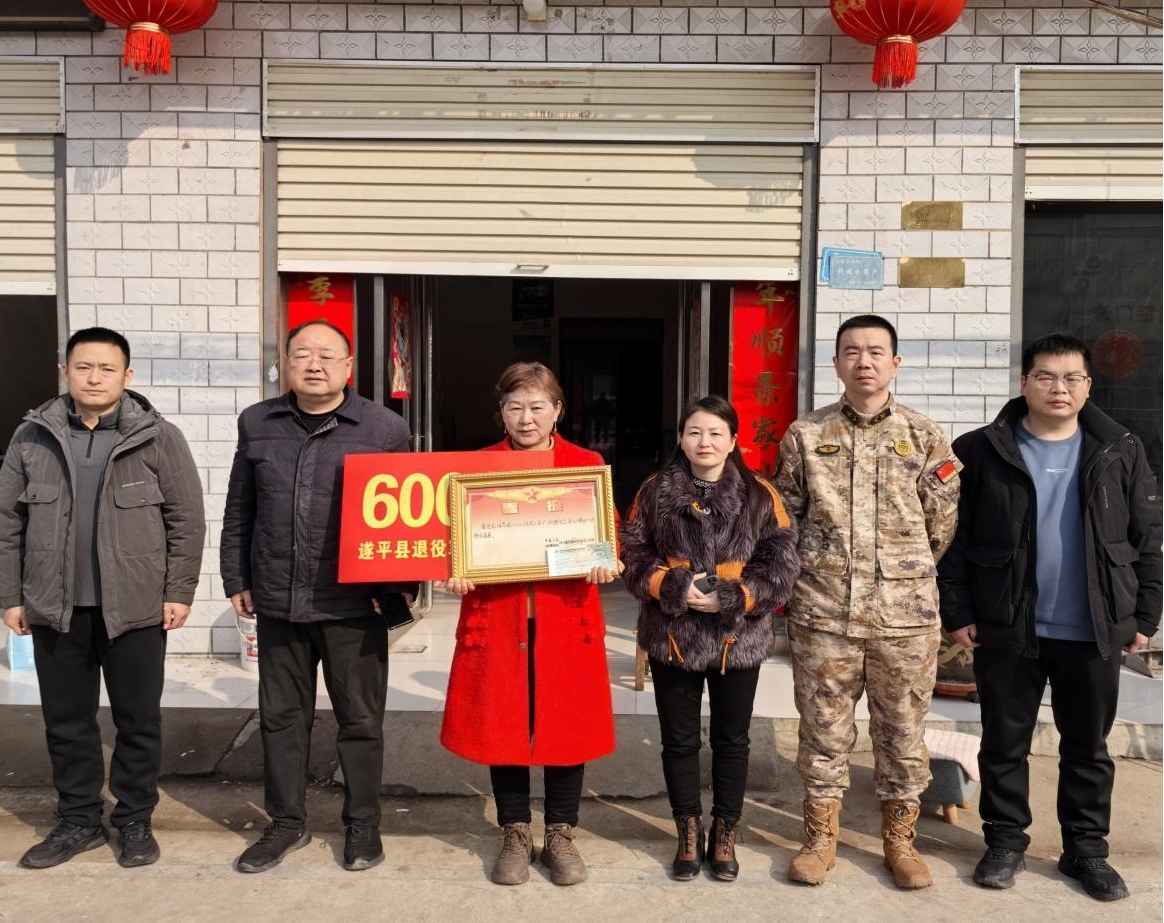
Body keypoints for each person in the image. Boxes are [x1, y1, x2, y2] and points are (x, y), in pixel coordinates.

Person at [938, 332, 1161, 902]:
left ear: (1087, 386)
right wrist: (957, 609)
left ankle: (1086, 850)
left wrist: (1145, 614)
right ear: (1024, 383)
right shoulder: (980, 449)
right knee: (1003, 741)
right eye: (1045, 376)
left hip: (1092, 626)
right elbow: (954, 539)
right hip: (1007, 624)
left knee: (1088, 746)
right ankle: (1004, 841)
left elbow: (1147, 536)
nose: (1058, 388)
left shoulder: (1119, 448)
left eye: (1071, 378)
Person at [0, 327, 205, 870]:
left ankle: (135, 818)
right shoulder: (31, 437)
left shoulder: (159, 437)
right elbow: (6, 524)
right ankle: (78, 820)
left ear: (126, 376)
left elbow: (187, 521)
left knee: (138, 721)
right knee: (67, 722)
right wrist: (10, 595)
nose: (94, 378)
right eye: (83, 367)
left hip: (135, 610)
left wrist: (179, 591)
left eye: (107, 368)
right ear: (65, 372)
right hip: (55, 608)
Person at [773, 314, 961, 890]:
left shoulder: (925, 435)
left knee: (903, 732)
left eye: (876, 351)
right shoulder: (805, 435)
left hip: (904, 617)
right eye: (851, 351)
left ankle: (900, 842)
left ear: (895, 363)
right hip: (823, 612)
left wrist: (899, 572)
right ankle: (819, 839)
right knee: (822, 730)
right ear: (835, 363)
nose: (864, 361)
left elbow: (941, 524)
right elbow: (785, 518)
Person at [220, 319, 414, 874]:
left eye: (327, 355)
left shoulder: (384, 427)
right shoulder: (258, 422)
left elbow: (408, 516)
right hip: (278, 597)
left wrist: (396, 591)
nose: (314, 364)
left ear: (349, 366)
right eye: (302, 353)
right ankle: (286, 823)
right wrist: (236, 577)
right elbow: (240, 507)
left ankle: (363, 825)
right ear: (285, 362)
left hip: (353, 602)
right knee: (281, 718)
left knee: (360, 720)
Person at [440, 362, 617, 887]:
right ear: (500, 411)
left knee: (566, 727)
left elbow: (608, 534)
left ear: (557, 410)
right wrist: (455, 568)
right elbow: (451, 537)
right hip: (499, 618)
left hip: (566, 618)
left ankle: (560, 832)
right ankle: (515, 831)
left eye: (538, 406)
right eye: (515, 406)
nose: (526, 418)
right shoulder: (475, 469)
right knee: (504, 726)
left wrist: (604, 559)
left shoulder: (585, 465)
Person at [620, 396, 799, 882]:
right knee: (678, 741)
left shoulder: (760, 495)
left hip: (735, 640)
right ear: (681, 438)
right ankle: (687, 829)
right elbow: (631, 553)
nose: (705, 442)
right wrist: (670, 586)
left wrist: (737, 596)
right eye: (695, 432)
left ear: (733, 440)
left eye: (716, 433)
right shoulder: (655, 492)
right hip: (673, 636)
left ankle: (725, 832)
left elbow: (782, 564)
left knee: (731, 740)